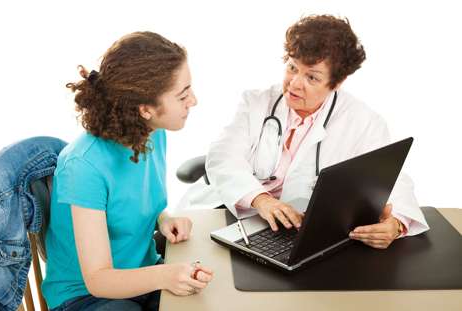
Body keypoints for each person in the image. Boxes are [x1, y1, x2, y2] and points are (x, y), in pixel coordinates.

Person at [206, 15, 429, 250]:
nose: (294, 84)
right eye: (292, 67)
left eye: (311, 77)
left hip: (304, 231)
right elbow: (223, 156)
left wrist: (395, 224)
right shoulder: (256, 103)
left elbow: (391, 178)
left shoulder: (363, 122)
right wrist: (261, 199)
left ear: (337, 82)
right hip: (239, 215)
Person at [42, 32, 213, 311]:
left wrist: (163, 219)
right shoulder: (83, 166)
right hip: (86, 297)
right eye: (183, 95)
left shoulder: (152, 135)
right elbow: (98, 280)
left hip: (142, 277)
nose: (193, 100)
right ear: (145, 109)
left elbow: (127, 202)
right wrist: (165, 275)